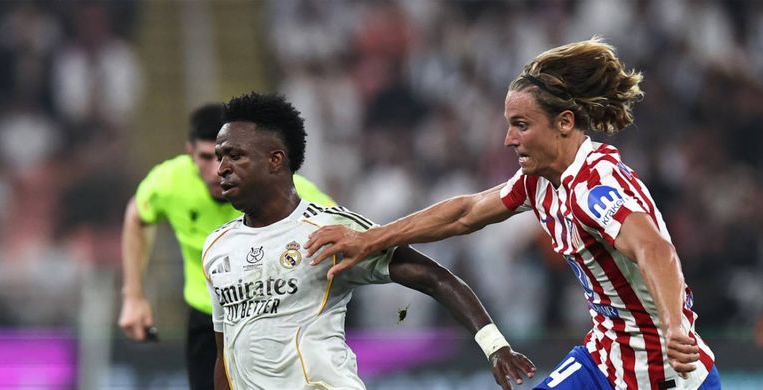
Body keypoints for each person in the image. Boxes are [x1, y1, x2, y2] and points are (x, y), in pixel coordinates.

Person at [306, 38, 721, 390]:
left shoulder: (595, 188)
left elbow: (655, 250)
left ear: (564, 122)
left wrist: (675, 329)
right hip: (606, 357)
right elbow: (464, 213)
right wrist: (368, 238)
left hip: (666, 374)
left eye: (522, 124)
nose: (509, 139)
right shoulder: (539, 180)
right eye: (509, 124)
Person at [203, 92, 535, 390]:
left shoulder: (330, 229)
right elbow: (226, 354)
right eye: (219, 157)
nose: (222, 168)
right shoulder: (217, 248)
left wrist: (494, 345)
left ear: (275, 160)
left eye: (235, 156)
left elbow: (435, 278)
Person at [117, 103, 335, 390]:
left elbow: (337, 224)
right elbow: (136, 215)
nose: (217, 170)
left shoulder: (274, 186)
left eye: (227, 156)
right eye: (207, 157)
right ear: (189, 153)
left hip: (268, 319)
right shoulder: (170, 182)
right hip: (207, 321)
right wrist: (133, 296)